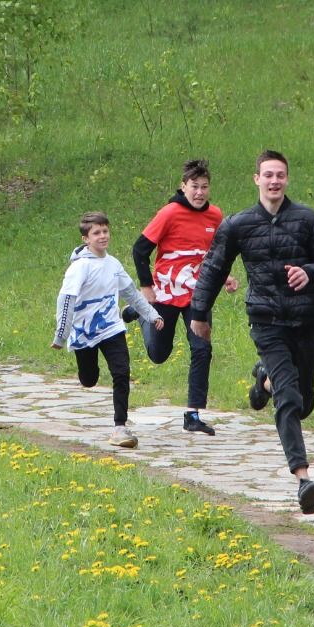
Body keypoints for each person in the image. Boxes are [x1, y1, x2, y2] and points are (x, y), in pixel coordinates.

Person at [190, 150, 314, 514]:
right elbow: (213, 268)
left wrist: (311, 273)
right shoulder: (239, 224)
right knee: (289, 398)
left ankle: (265, 381)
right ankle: (304, 479)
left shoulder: (308, 220)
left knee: (303, 402)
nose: (274, 181)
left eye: (280, 175)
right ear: (256, 179)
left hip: (306, 321)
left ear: (287, 180)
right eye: (268, 175)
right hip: (266, 320)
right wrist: (199, 313)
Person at [125, 159, 238, 435]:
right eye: (194, 187)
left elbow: (216, 256)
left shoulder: (215, 216)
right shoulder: (169, 213)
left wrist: (225, 277)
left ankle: (193, 414)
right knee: (158, 354)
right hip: (164, 293)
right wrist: (145, 286)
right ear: (183, 186)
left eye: (204, 187)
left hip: (198, 295)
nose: (199, 192)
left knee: (202, 349)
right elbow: (140, 250)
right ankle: (140, 311)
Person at [52, 212, 164, 449]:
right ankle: (86, 373)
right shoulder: (79, 268)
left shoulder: (113, 264)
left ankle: (120, 427)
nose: (103, 236)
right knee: (89, 379)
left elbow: (131, 293)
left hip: (112, 327)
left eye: (105, 231)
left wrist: (152, 315)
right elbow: (66, 300)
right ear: (86, 238)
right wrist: (61, 336)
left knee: (122, 372)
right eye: (96, 233)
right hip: (84, 333)